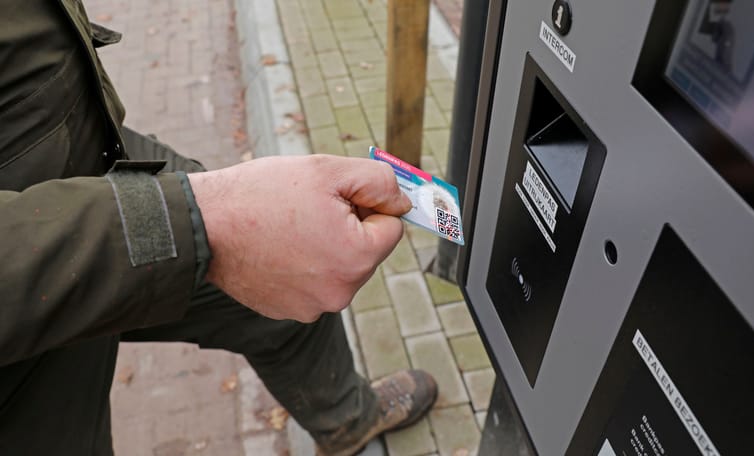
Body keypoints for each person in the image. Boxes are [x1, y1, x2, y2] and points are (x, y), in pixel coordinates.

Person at [0, 1, 438, 455]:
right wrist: (197, 222)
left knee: (290, 270)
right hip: (22, 350)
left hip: (90, 156)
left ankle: (349, 421)